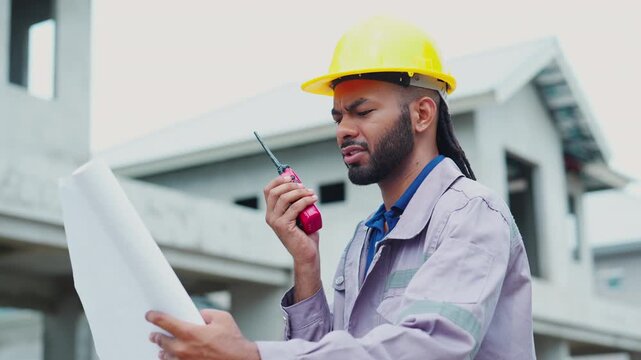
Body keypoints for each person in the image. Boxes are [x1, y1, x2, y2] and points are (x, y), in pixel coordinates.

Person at [146, 16, 535, 360]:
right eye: (338, 116)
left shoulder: (472, 215)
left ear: (421, 114)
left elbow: (428, 348)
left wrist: (251, 355)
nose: (344, 129)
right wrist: (307, 265)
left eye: (362, 112)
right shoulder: (364, 240)